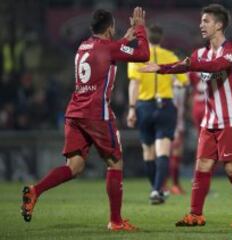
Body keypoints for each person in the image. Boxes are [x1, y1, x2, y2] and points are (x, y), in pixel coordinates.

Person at [21, 7, 150, 231]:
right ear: (110, 27)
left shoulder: (83, 46)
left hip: (74, 112)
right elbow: (143, 54)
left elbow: (107, 51)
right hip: (96, 113)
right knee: (115, 162)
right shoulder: (110, 48)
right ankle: (116, 221)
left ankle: (35, 191)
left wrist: (123, 40)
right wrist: (140, 29)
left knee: (74, 166)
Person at [139, 4, 232, 227]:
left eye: (206, 21)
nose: (201, 25)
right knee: (202, 165)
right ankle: (195, 214)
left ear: (219, 24)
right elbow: (184, 65)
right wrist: (160, 68)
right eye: (201, 21)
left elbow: (215, 66)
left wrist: (190, 64)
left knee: (231, 168)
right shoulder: (200, 53)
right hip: (210, 120)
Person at [127, 25, 188, 204]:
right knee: (163, 151)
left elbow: (134, 84)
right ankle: (156, 190)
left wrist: (131, 108)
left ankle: (156, 188)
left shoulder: (137, 57)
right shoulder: (170, 56)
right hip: (165, 106)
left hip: (144, 106)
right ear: (161, 39)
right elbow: (183, 81)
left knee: (148, 152)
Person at [168, 83, 187, 195]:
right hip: (174, 123)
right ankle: (173, 185)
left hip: (177, 123)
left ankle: (166, 185)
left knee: (171, 153)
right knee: (174, 152)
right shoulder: (177, 85)